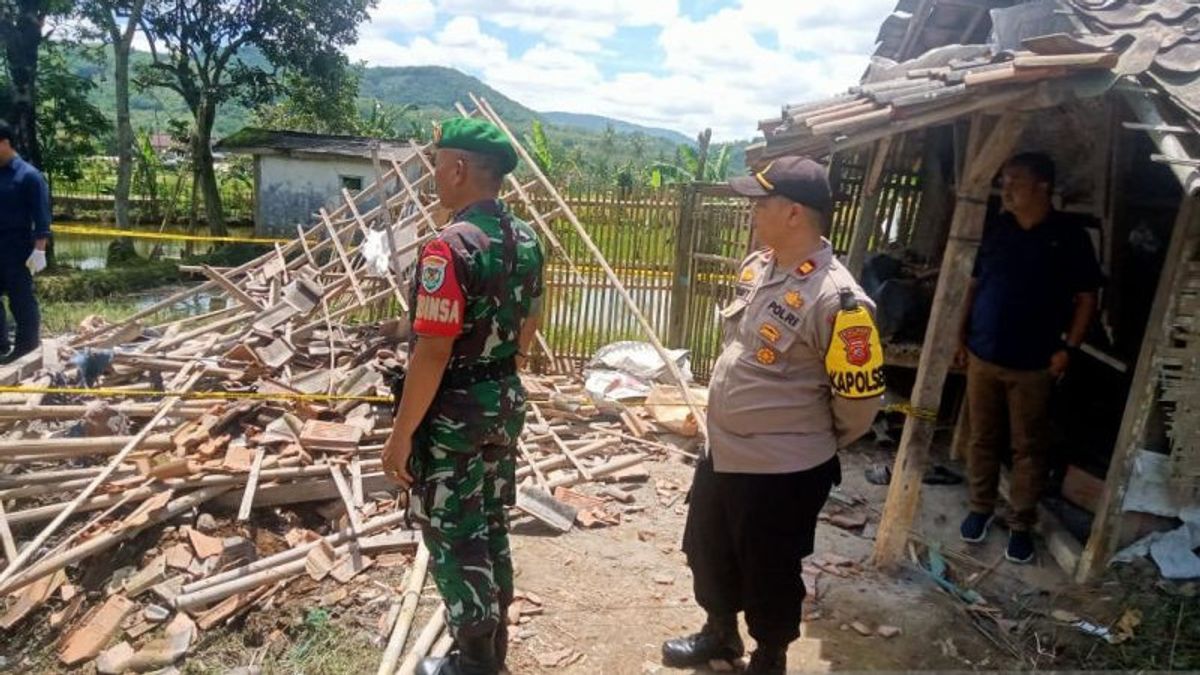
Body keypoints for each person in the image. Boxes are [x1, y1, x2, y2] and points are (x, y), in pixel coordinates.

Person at [662, 156, 884, 675]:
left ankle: (770, 656)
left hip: (781, 469)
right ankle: (720, 635)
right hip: (726, 452)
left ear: (794, 214)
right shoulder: (761, 268)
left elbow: (859, 406)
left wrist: (800, 440)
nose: (752, 213)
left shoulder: (840, 300)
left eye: (761, 204)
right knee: (706, 547)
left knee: (770, 570)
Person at [381, 117, 544, 675]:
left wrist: (400, 436)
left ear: (458, 168)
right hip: (503, 398)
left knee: (453, 532)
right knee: (492, 520)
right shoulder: (526, 239)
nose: (433, 175)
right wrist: (500, 368)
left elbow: (431, 353)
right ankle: (490, 646)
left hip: (453, 411)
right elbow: (530, 324)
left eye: (435, 164)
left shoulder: (447, 249)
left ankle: (475, 662)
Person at [955, 152, 1102, 564]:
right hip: (984, 352)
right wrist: (960, 333)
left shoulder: (1069, 236)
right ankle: (980, 508)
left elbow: (1087, 299)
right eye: (1004, 179)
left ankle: (1021, 523)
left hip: (1035, 363)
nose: (1007, 186)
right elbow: (975, 284)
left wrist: (1067, 349)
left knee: (1028, 448)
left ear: (1043, 186)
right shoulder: (999, 229)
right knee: (982, 438)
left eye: (1015, 179)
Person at [0, 120, 51, 364]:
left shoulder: (29, 176)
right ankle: (1, 346)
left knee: (21, 300)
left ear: (5, 143)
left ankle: (26, 350)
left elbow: (42, 216)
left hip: (18, 247)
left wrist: (39, 250)